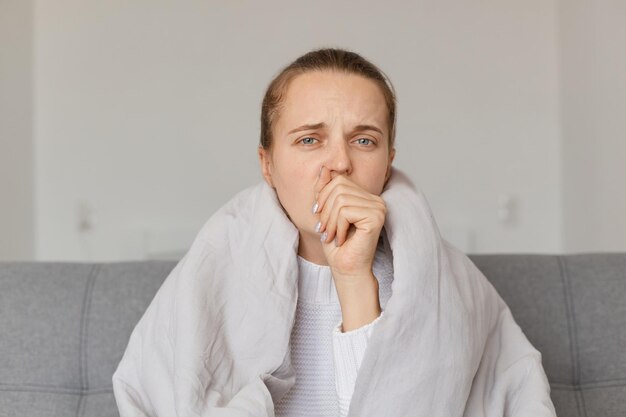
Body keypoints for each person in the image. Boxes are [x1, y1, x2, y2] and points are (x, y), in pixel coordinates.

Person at [113, 48, 557, 417]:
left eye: (364, 140)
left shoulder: (448, 283)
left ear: (387, 164)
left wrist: (352, 276)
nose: (340, 163)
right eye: (310, 140)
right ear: (267, 164)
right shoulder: (208, 275)